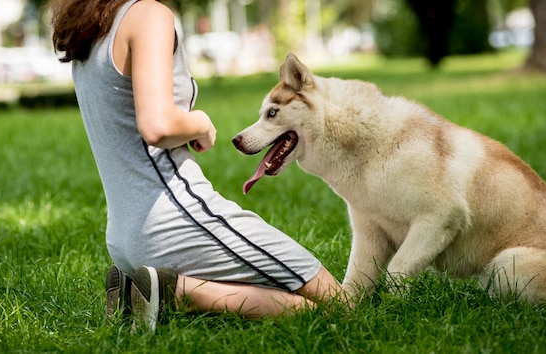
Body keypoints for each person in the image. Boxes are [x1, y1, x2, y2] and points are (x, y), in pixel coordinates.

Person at [49, 0, 345, 330]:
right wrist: (201, 122)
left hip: (123, 239)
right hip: (177, 220)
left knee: (296, 300)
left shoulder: (92, 30)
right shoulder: (148, 15)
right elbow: (157, 126)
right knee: (339, 304)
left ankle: (148, 290)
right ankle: (179, 292)